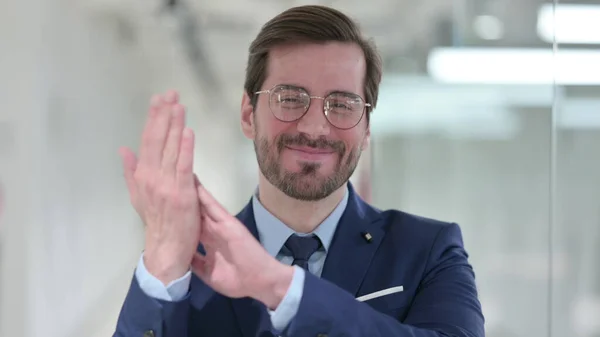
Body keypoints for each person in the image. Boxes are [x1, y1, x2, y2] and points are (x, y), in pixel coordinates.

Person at [113, 5, 485, 337]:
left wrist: (280, 287)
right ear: (248, 114)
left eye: (341, 104)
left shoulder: (427, 251)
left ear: (367, 128)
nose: (315, 128)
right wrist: (160, 268)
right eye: (290, 99)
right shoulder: (186, 265)